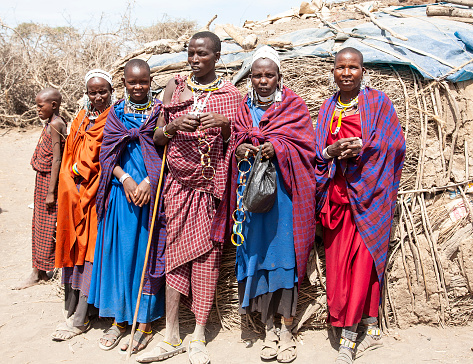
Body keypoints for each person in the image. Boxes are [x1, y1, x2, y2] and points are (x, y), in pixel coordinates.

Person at [137, 31, 242, 364]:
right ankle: (170, 335)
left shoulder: (231, 95)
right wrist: (174, 125)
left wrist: (225, 126)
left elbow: (240, 143)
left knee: (206, 260)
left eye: (202, 54)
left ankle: (197, 336)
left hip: (210, 192)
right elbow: (155, 137)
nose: (195, 59)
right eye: (191, 53)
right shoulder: (174, 88)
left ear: (217, 57)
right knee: (174, 257)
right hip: (177, 187)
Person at [213, 45, 317, 363]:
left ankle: (287, 332)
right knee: (255, 256)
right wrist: (242, 149)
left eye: (268, 75)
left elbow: (307, 148)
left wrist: (278, 148)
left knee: (283, 257)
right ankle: (268, 330)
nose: (262, 80)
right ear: (251, 78)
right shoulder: (244, 110)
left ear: (278, 76)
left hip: (284, 200)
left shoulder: (294, 107)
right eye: (257, 75)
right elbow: (233, 143)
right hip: (252, 201)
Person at [314, 47, 405, 363]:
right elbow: (317, 153)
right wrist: (332, 151)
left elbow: (394, 145)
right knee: (340, 269)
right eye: (341, 67)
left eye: (353, 67)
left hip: (370, 199)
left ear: (363, 70)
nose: (347, 73)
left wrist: (364, 148)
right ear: (334, 70)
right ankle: (365, 326)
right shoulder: (327, 108)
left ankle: (350, 340)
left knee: (363, 267)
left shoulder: (378, 104)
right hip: (337, 200)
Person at [87, 59, 166, 354]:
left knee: (145, 258)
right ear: (124, 82)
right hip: (122, 195)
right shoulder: (116, 113)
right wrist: (128, 179)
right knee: (122, 256)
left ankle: (143, 323)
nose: (137, 87)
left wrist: (148, 181)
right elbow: (106, 155)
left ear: (150, 80)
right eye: (132, 82)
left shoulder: (160, 112)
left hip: (151, 196)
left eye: (143, 81)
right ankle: (120, 321)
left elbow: (168, 153)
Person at [52, 69, 114, 341]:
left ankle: (82, 316)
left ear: (111, 91)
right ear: (87, 93)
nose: (98, 96)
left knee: (90, 249)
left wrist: (79, 172)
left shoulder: (114, 117)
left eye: (103, 91)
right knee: (75, 246)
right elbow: (69, 152)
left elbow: (102, 157)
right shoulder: (80, 117)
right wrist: (68, 178)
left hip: (96, 194)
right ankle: (75, 310)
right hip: (73, 193)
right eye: (93, 91)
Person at [14, 88, 66, 290]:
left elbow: (57, 159)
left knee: (44, 226)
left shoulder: (56, 124)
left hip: (49, 182)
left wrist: (52, 191)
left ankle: (38, 272)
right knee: (39, 224)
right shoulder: (51, 123)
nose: (37, 109)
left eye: (40, 105)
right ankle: (40, 270)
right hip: (43, 180)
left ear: (53, 105)